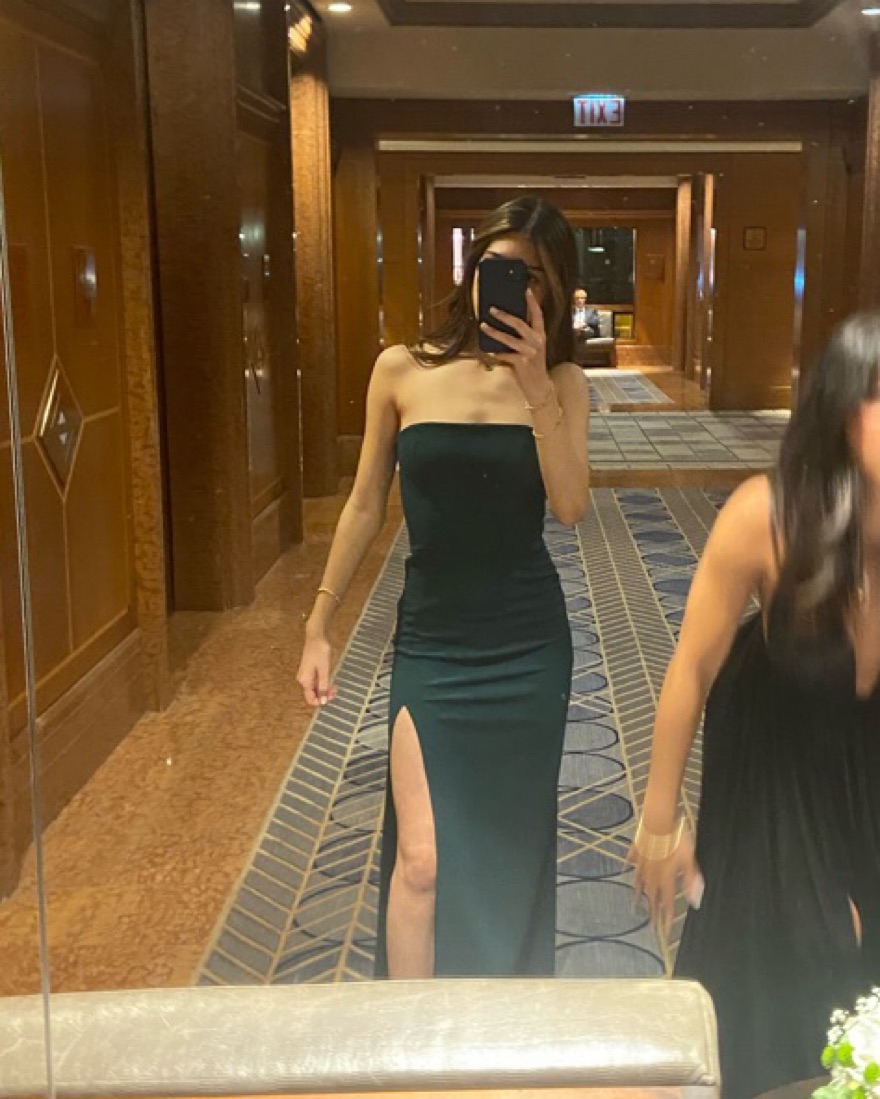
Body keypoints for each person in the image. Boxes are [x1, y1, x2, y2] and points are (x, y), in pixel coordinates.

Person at [296, 196, 591, 979]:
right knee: (421, 859)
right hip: (434, 640)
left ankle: (505, 1015)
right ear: (471, 272)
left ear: (553, 290)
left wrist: (536, 386)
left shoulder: (563, 382)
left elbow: (570, 506)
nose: (510, 285)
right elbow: (365, 503)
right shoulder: (402, 369)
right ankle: (413, 1037)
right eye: (496, 266)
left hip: (527, 644)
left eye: (530, 275)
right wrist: (320, 622)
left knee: (510, 846)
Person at [630, 312, 880, 1098]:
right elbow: (691, 667)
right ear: (844, 410)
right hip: (774, 793)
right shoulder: (764, 516)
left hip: (864, 788)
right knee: (779, 1009)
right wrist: (660, 817)